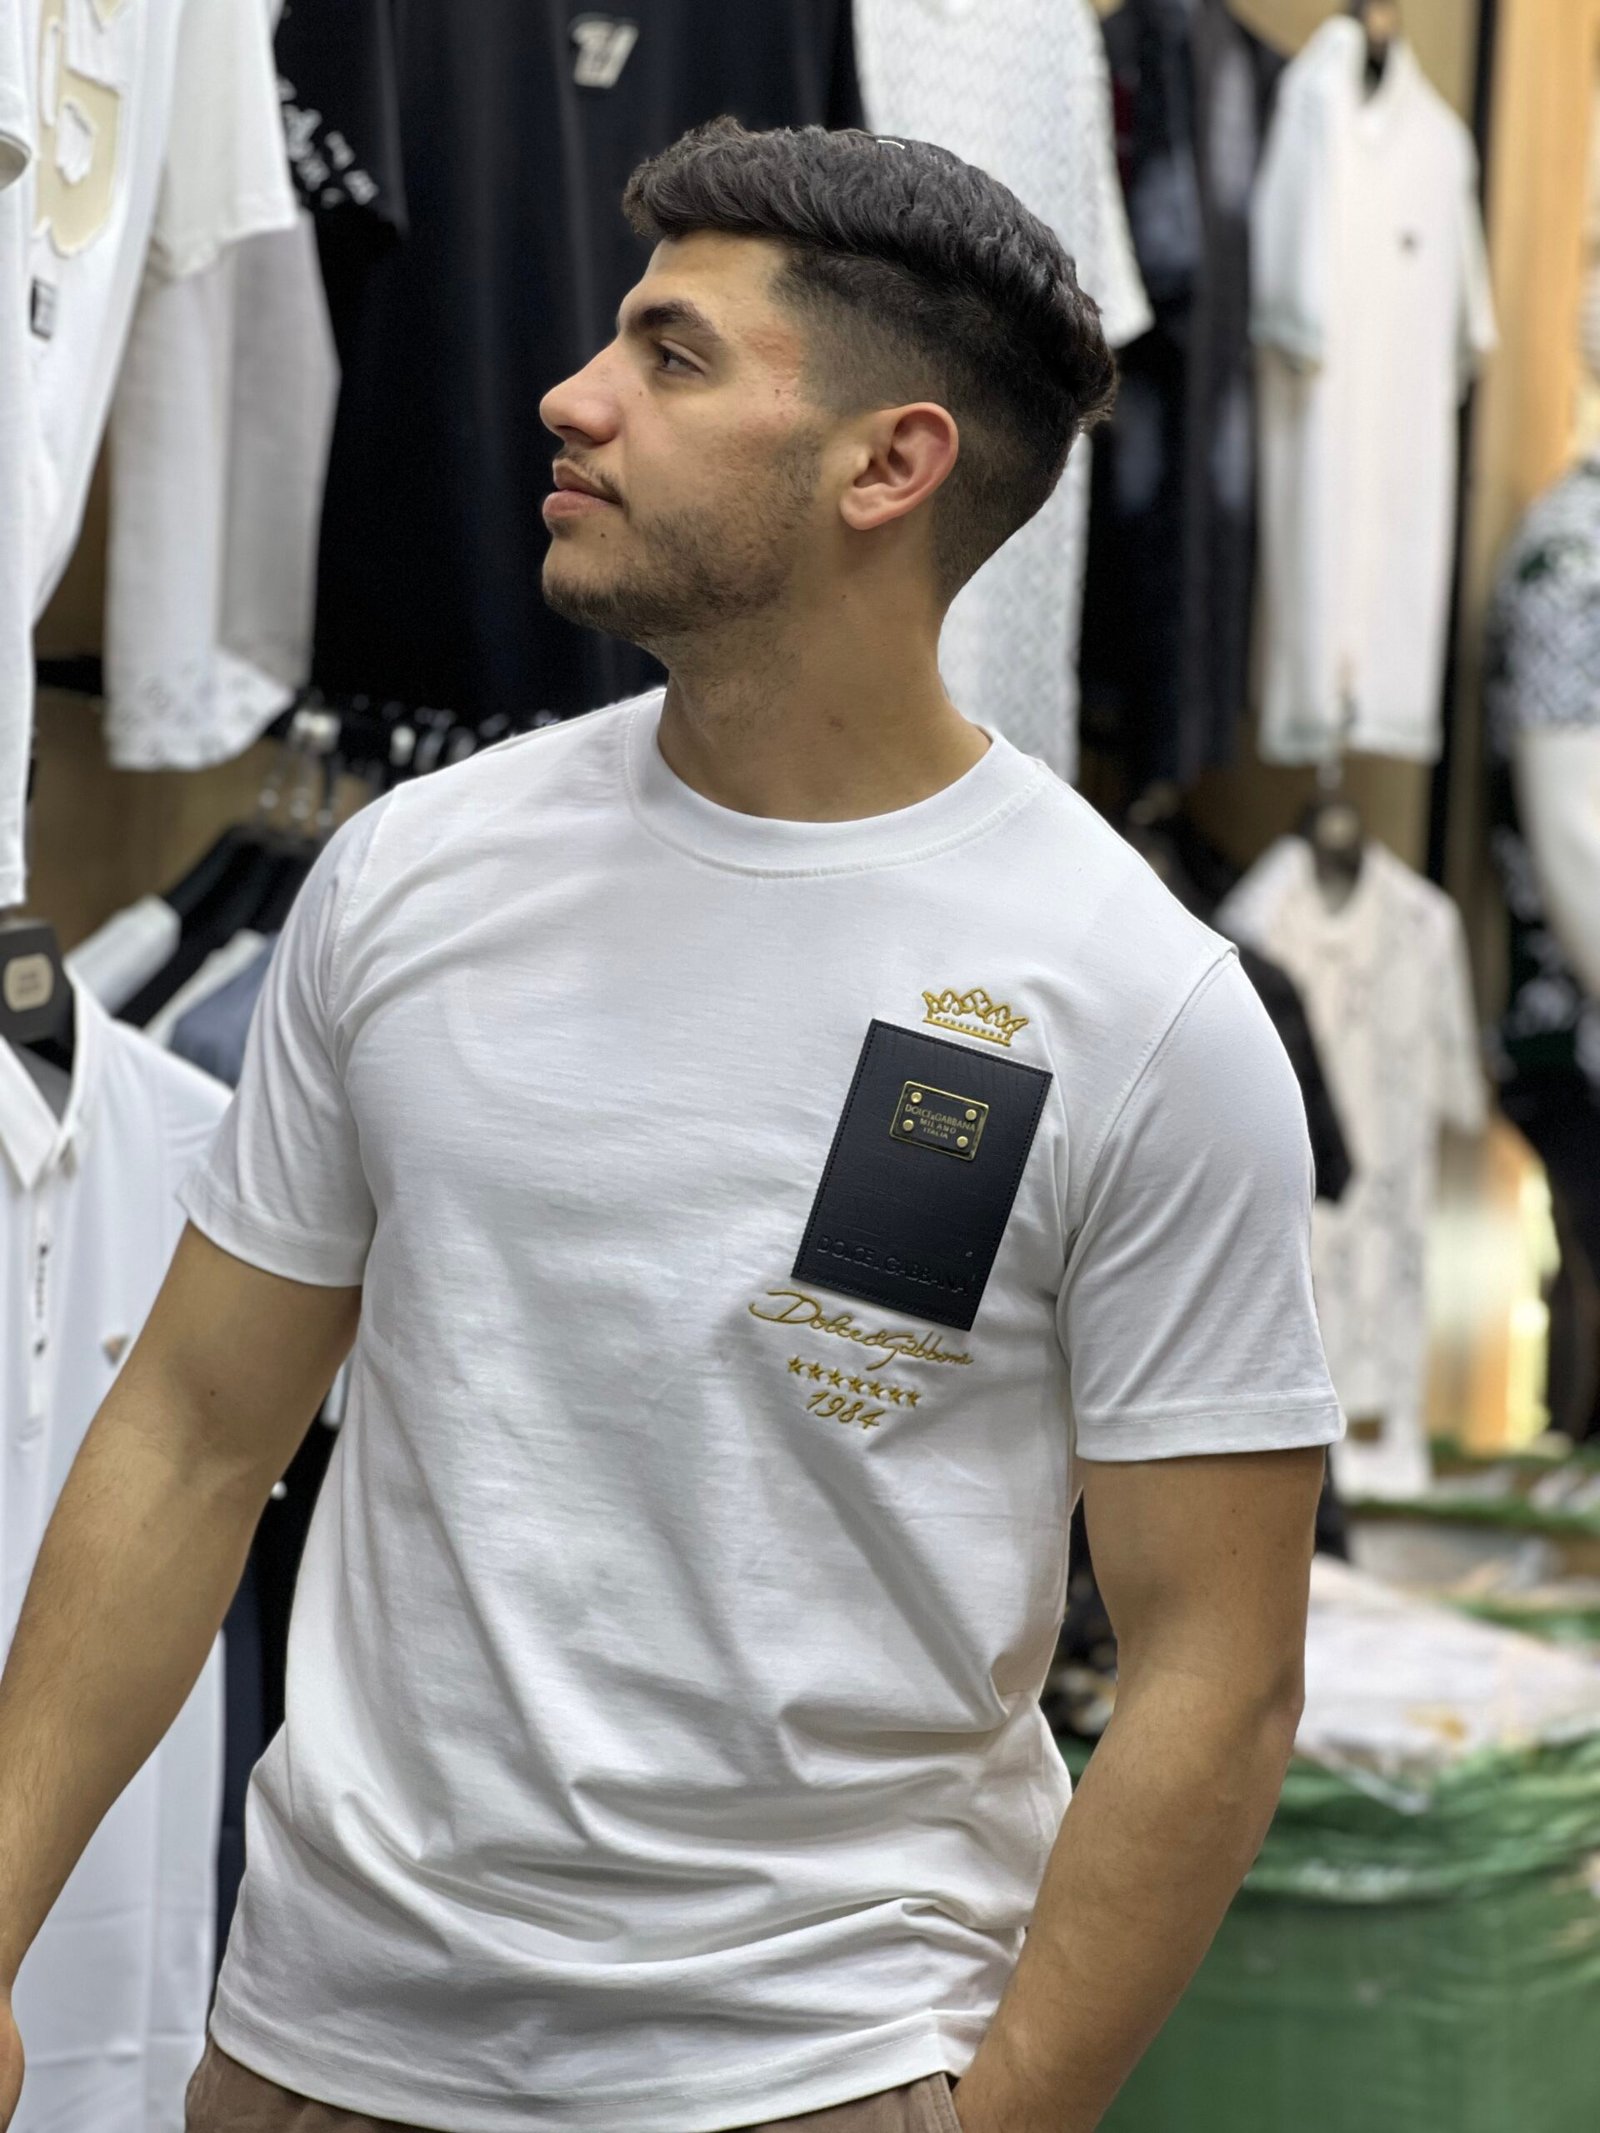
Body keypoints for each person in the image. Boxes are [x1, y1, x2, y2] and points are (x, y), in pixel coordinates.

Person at [0, 120, 1340, 2133]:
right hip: (319, 2049)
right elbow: (194, 1428)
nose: (572, 393)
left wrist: (995, 2114)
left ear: (888, 465)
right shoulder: (410, 877)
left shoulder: (1134, 1005)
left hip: (811, 2065)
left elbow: (1218, 1671)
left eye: (673, 354)